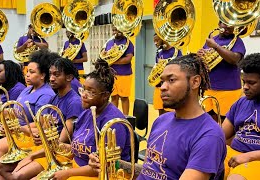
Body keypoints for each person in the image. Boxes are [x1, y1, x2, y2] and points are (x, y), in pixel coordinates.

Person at [90, 54, 226, 179]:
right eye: (162, 82)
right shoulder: (161, 120)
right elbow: (150, 171)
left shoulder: (209, 135)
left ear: (195, 82)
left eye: (171, 80)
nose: (162, 87)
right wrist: (109, 162)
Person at [49, 59, 131, 180]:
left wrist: (68, 173)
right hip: (77, 168)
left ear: (105, 96)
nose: (84, 95)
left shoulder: (113, 123)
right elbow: (80, 147)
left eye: (91, 92)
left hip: (100, 174)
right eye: (83, 89)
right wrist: (61, 146)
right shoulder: (87, 113)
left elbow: (104, 165)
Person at [5, 57, 84, 179]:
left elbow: (62, 141)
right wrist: (37, 135)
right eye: (51, 74)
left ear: (69, 77)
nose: (51, 78)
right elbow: (42, 126)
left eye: (56, 75)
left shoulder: (74, 102)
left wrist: (33, 154)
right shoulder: (54, 98)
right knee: (7, 166)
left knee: (18, 176)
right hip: (48, 146)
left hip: (61, 153)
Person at [0, 49, 55, 179]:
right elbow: (15, 110)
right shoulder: (27, 89)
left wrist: (15, 128)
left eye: (32, 72)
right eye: (27, 72)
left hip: (30, 135)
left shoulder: (46, 94)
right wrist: (5, 119)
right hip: (19, 131)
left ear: (42, 75)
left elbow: (41, 124)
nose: (27, 75)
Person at [222, 52, 260, 180]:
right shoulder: (241, 102)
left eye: (251, 83)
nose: (245, 87)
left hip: (258, 160)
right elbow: (221, 134)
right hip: (233, 154)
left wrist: (250, 156)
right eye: (244, 82)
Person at [197, 21, 246, 120]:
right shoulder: (212, 40)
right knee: (209, 119)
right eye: (225, 24)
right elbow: (204, 61)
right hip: (209, 87)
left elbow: (234, 59)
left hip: (228, 89)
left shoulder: (237, 41)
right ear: (219, 24)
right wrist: (201, 55)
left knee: (226, 122)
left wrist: (216, 47)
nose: (228, 27)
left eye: (231, 25)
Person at [106, 26, 134, 115]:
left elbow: (128, 59)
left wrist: (113, 61)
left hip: (124, 74)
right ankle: (115, 117)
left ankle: (126, 118)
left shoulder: (128, 43)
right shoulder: (109, 43)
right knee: (113, 97)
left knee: (124, 98)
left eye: (118, 30)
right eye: (114, 30)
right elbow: (105, 56)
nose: (115, 32)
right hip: (112, 74)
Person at [151, 33, 182, 115]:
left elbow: (180, 69)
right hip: (158, 86)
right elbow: (156, 66)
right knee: (160, 112)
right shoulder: (159, 52)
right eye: (154, 41)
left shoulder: (176, 51)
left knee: (169, 112)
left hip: (170, 86)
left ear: (163, 38)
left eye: (157, 40)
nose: (155, 43)